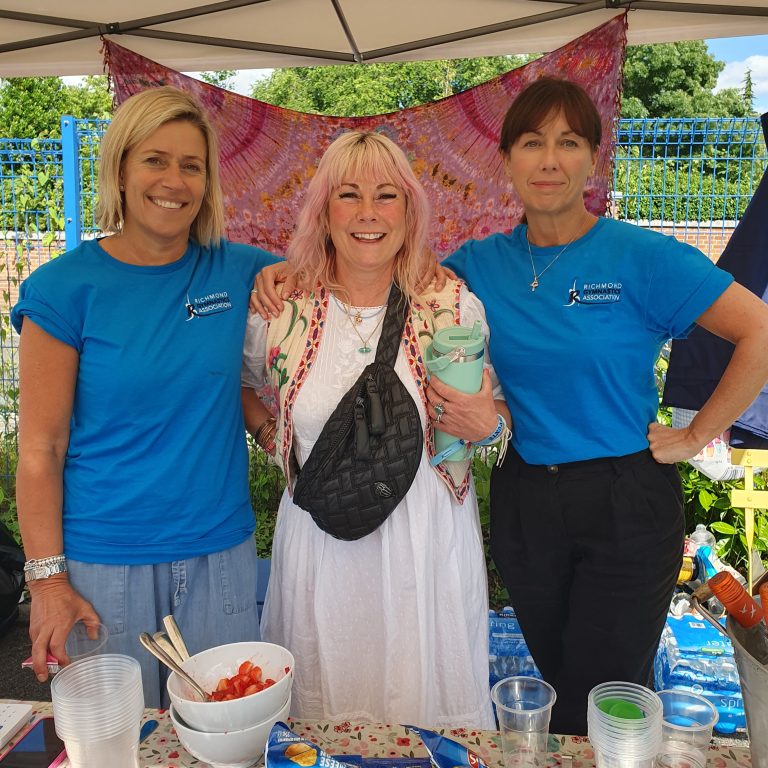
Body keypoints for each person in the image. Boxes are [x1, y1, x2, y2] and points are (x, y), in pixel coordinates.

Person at [251, 79, 768, 735]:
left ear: (593, 158)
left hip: (623, 496)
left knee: (600, 693)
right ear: (507, 160)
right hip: (530, 499)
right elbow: (385, 270)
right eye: (531, 143)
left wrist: (696, 436)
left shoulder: (641, 256)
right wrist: (283, 274)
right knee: (559, 678)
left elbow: (758, 331)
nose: (549, 160)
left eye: (568, 143)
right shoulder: (478, 267)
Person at [12, 86, 279, 707]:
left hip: (219, 554)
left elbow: (343, 274)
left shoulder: (239, 270)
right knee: (116, 736)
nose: (174, 181)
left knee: (224, 735)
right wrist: (47, 582)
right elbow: (41, 450)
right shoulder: (64, 289)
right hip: (104, 565)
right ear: (120, 169)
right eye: (155, 160)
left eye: (192, 166)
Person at [240, 130, 507, 728]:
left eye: (387, 196)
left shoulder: (452, 305)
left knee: (422, 709)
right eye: (349, 195)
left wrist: (490, 426)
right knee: (323, 712)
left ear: (409, 211)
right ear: (323, 211)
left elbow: (495, 408)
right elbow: (238, 385)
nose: (368, 213)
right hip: (322, 542)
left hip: (427, 543)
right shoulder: (282, 309)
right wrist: (269, 435)